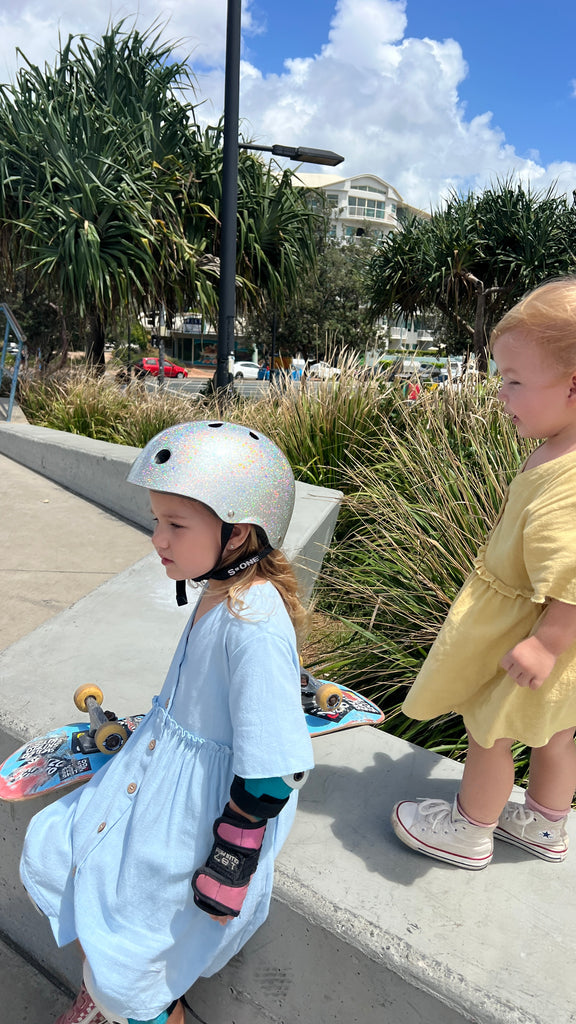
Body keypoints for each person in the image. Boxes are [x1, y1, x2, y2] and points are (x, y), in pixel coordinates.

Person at [20, 420, 314, 1023]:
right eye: (157, 520)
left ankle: (129, 1006)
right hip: (159, 778)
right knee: (60, 854)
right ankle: (105, 993)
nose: (158, 539)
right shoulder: (219, 588)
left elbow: (273, 770)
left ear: (237, 533)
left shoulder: (252, 622)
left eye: (176, 525)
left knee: (141, 947)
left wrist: (231, 856)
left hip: (203, 817)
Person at [391, 278, 576, 870]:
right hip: (551, 637)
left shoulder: (566, 479)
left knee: (490, 732)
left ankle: (470, 830)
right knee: (554, 733)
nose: (503, 394)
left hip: (540, 634)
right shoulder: (559, 449)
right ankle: (547, 824)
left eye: (516, 381)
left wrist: (545, 645)